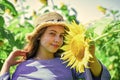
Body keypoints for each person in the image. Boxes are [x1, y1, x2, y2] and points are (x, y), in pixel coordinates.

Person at [0, 12, 111, 80]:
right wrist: (7, 64)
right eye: (52, 33)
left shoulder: (68, 63)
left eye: (61, 36)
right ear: (39, 36)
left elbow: (101, 77)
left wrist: (90, 54)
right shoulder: (23, 67)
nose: (58, 40)